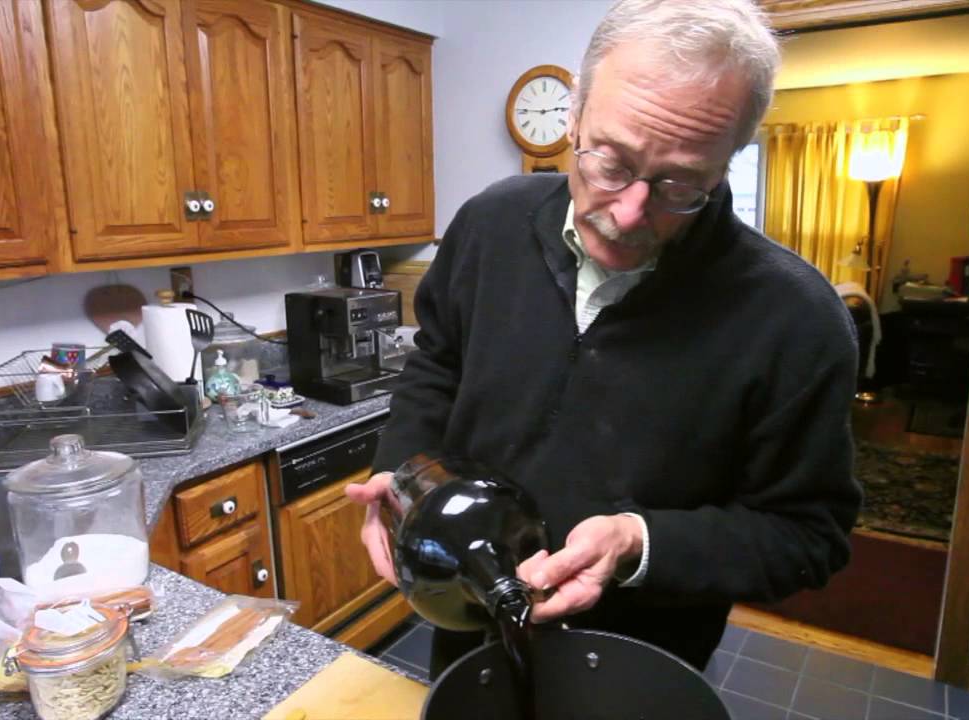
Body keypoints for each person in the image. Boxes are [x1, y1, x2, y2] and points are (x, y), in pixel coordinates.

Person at [346, 0, 861, 678]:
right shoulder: (489, 224)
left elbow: (808, 535)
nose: (629, 213)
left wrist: (640, 543)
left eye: (681, 185)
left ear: (731, 159)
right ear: (574, 111)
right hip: (473, 625)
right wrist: (400, 472)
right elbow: (437, 363)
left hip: (638, 661)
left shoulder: (797, 319)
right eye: (610, 162)